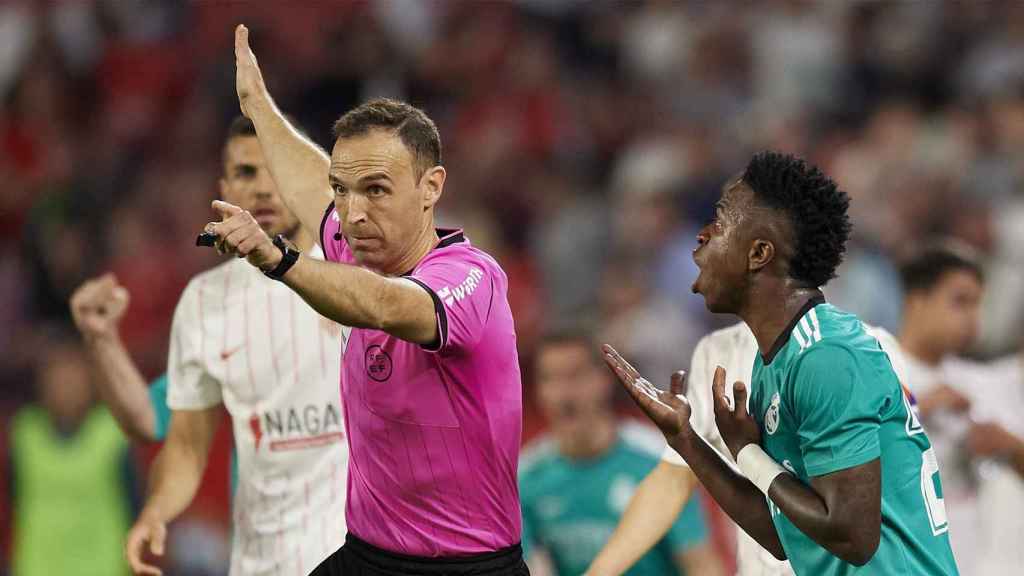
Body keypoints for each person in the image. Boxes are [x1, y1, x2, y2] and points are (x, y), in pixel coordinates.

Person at [216, 25, 526, 575]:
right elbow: (314, 187)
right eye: (345, 190)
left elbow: (385, 305)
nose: (353, 213)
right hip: (366, 556)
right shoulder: (356, 242)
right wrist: (258, 107)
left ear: (431, 187)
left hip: (468, 566)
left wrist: (279, 259)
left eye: (376, 189)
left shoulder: (472, 279)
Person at [603, 152, 959, 575]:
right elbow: (782, 536)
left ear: (758, 253)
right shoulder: (775, 359)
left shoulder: (828, 355)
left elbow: (853, 537)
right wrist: (687, 440)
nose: (700, 238)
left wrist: (747, 452)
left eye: (719, 223)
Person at [120, 116, 351, 576]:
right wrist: (156, 511)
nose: (263, 189)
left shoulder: (358, 280)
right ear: (224, 186)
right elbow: (187, 445)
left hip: (358, 555)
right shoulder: (204, 303)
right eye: (246, 173)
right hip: (258, 562)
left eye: (276, 170)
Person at [520, 330, 723, 576]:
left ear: (604, 380)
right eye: (550, 378)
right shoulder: (527, 476)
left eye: (575, 376)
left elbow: (700, 565)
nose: (564, 393)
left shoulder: (659, 463)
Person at [875, 241, 1024, 574]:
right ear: (916, 301)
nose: (973, 317)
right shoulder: (877, 368)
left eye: (978, 304)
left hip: (971, 559)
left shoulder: (984, 382)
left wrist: (1009, 445)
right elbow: (850, 445)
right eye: (960, 301)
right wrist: (920, 408)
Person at [7, 336, 138, 576]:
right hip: (37, 566)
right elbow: (12, 501)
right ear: (42, 384)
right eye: (57, 379)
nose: (66, 388)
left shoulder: (113, 434)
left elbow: (135, 504)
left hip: (102, 566)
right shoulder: (24, 434)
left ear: (92, 382)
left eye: (74, 379)